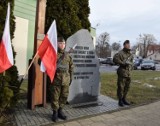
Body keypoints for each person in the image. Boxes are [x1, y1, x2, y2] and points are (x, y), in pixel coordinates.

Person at [50, 37, 74, 122]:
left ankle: (60, 111)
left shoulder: (68, 56)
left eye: (63, 43)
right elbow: (44, 62)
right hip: (56, 79)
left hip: (66, 80)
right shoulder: (53, 54)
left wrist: (71, 78)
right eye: (60, 43)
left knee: (64, 96)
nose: (62, 45)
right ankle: (55, 112)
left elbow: (71, 67)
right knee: (55, 97)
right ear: (57, 44)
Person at [113, 40, 133, 107]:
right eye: (127, 44)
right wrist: (122, 63)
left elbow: (132, 62)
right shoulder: (120, 53)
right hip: (122, 72)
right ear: (124, 45)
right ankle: (120, 100)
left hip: (128, 73)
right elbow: (115, 59)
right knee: (121, 87)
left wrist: (131, 66)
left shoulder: (130, 54)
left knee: (127, 87)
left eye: (129, 44)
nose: (129, 46)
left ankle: (124, 98)